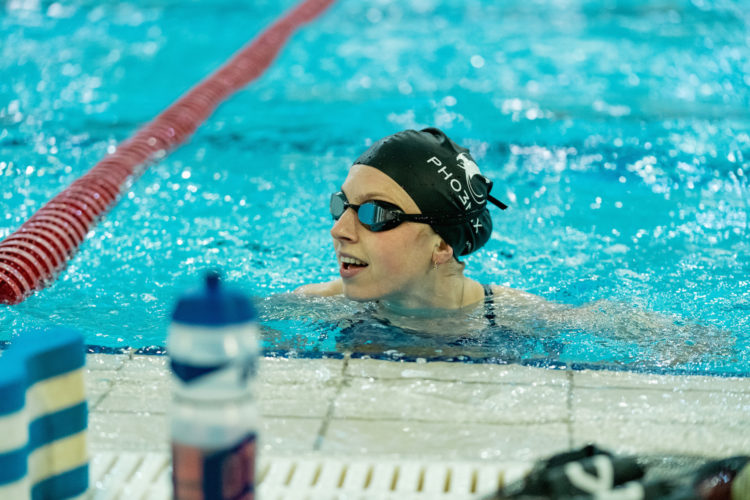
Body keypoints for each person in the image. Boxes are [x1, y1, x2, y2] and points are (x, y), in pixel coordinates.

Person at [294, 127, 555, 320]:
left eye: (376, 213)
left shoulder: (526, 318)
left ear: (442, 245)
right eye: (340, 205)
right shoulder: (312, 305)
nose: (338, 230)